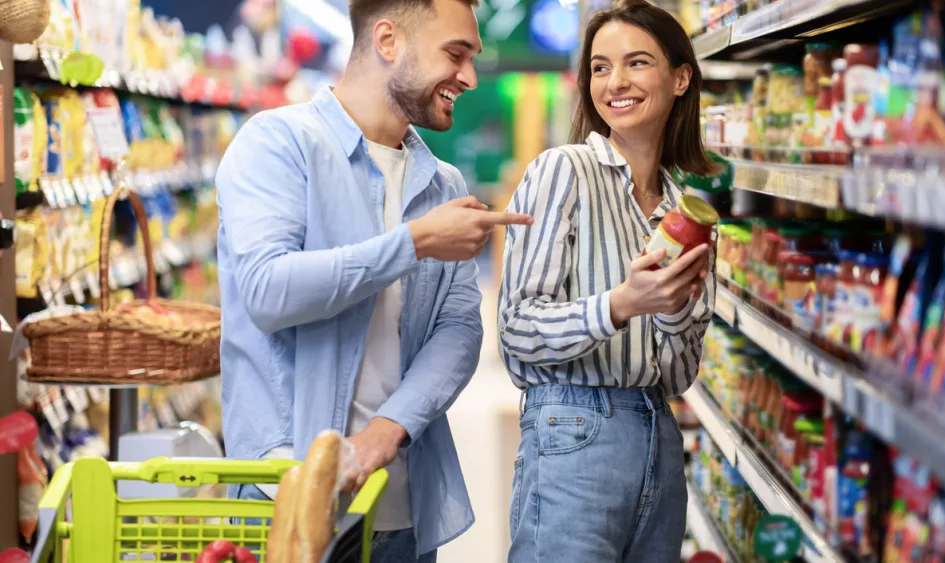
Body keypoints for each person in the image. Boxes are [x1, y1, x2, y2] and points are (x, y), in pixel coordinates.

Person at [214, 0, 533, 560]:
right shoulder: (277, 144)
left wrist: (383, 436)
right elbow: (267, 290)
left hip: (402, 510)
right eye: (455, 54)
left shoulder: (444, 182)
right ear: (388, 41)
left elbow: (458, 330)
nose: (470, 77)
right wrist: (413, 243)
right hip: (285, 499)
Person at [498, 0, 718, 561]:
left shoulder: (684, 212)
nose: (615, 82)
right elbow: (517, 332)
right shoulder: (563, 171)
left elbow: (679, 374)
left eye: (637, 63)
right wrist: (620, 304)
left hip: (658, 439)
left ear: (680, 77)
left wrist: (669, 308)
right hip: (574, 430)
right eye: (600, 67)